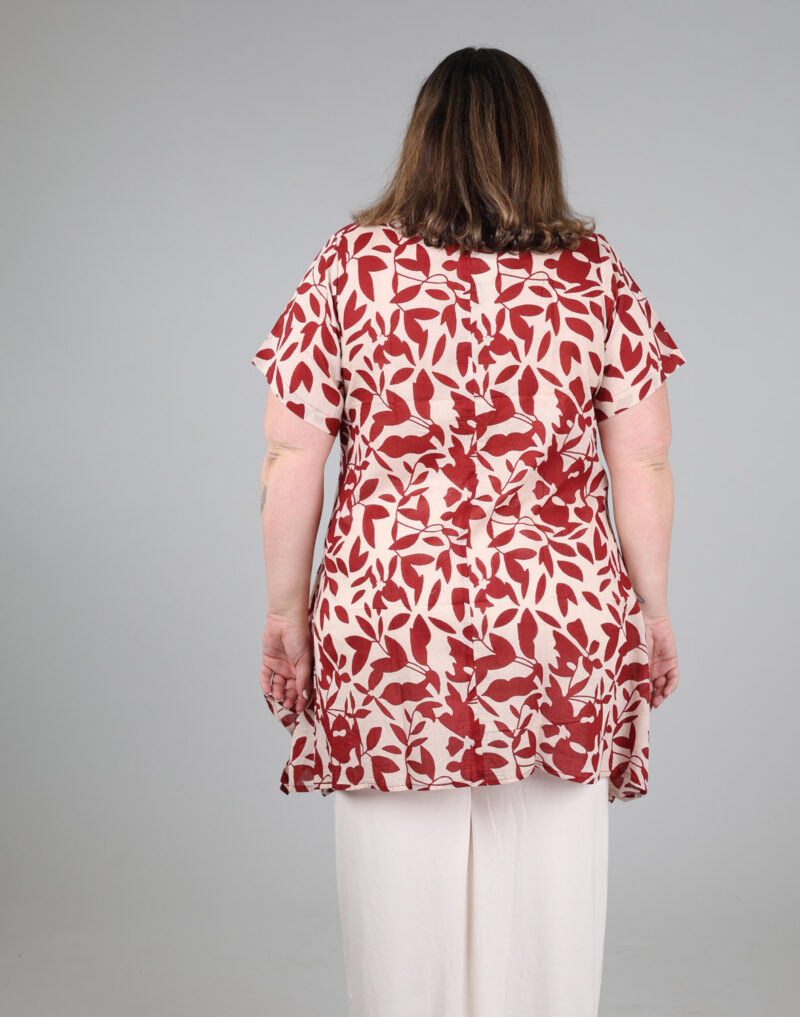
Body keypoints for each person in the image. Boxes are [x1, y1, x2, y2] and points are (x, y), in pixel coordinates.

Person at [251, 46, 685, 1017]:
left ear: (423, 141)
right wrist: (653, 612)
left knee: (397, 934)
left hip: (391, 624)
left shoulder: (349, 266)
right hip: (556, 625)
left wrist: (285, 612)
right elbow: (644, 460)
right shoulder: (592, 274)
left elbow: (289, 456)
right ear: (535, 144)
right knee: (547, 926)